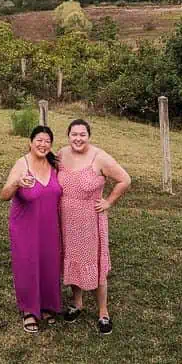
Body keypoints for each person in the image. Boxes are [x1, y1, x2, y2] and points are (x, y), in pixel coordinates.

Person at [57, 118, 131, 335]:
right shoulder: (61, 154)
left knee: (96, 266)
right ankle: (77, 303)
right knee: (72, 260)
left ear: (89, 136)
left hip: (90, 222)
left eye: (82, 134)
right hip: (66, 221)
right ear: (68, 135)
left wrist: (108, 201)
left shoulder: (100, 158)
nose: (78, 138)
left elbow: (125, 179)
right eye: (74, 134)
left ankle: (103, 312)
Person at [0, 125, 62, 334]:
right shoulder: (22, 164)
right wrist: (17, 183)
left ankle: (46, 305)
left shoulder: (54, 165)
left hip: (50, 226)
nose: (43, 144)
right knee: (27, 265)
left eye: (47, 141)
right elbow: (4, 194)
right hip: (25, 227)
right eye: (39, 140)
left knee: (49, 264)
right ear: (30, 142)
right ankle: (29, 310)